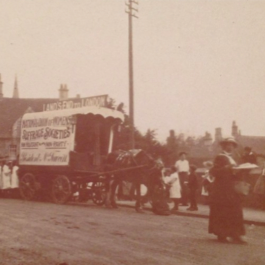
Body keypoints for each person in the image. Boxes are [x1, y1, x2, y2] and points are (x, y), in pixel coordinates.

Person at [209, 137, 246, 244]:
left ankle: (236, 234)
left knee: (236, 211)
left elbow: (235, 173)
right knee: (222, 211)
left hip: (232, 189)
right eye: (228, 144)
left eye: (232, 145)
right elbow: (214, 171)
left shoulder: (235, 158)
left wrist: (242, 171)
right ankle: (222, 234)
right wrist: (227, 168)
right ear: (223, 146)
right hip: (221, 189)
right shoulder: (220, 157)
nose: (230, 147)